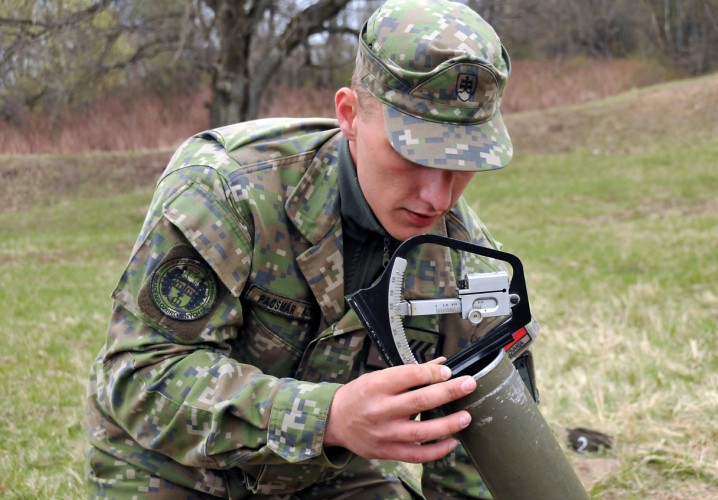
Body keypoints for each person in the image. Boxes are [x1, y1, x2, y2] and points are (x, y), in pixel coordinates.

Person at [85, 0, 537, 497]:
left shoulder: (469, 265)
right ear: (349, 115)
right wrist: (328, 419)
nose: (437, 196)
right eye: (412, 153)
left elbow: (480, 458)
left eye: (463, 162)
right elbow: (138, 375)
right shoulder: (229, 188)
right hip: (173, 466)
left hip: (325, 477)